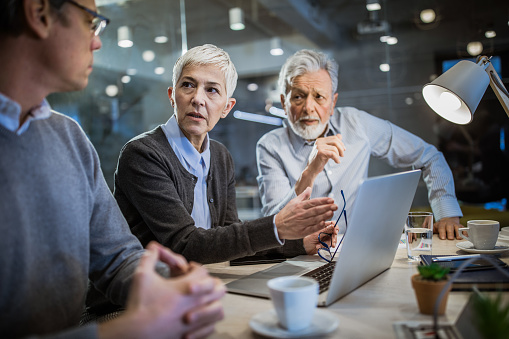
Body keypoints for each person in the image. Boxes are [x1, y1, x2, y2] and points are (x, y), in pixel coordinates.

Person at [0, 1, 225, 338]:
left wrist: (160, 287)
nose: (97, 41)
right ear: (39, 13)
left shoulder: (68, 137)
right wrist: (130, 330)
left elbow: (117, 256)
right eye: (91, 22)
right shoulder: (144, 152)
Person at [112, 44, 339, 264]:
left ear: (227, 107)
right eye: (188, 85)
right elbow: (184, 244)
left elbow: (231, 242)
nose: (198, 99)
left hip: (198, 285)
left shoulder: (220, 156)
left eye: (212, 90)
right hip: (138, 298)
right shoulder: (142, 155)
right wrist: (275, 226)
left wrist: (299, 245)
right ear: (172, 95)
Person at [256, 49, 464, 241]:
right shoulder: (270, 146)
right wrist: (310, 172)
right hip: (301, 257)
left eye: (319, 97)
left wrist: (447, 214)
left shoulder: (357, 124)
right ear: (284, 102)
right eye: (298, 97)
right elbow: (273, 225)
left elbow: (429, 157)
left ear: (333, 102)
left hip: (359, 249)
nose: (309, 107)